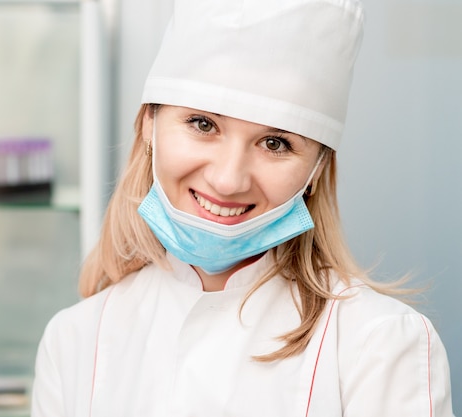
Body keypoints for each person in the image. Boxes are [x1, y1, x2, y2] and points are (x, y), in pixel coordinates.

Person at [32, 0, 455, 415]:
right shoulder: (74, 340)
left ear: (316, 169)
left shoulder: (381, 345)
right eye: (203, 124)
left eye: (275, 143)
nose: (228, 180)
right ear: (150, 124)